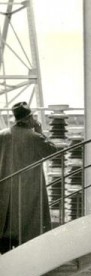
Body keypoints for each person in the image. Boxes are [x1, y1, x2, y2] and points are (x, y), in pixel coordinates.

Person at [0, 101, 58, 253]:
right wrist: (40, 132)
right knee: (27, 243)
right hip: (28, 198)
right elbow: (53, 152)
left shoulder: (3, 135)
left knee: (6, 248)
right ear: (28, 119)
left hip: (5, 197)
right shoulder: (34, 137)